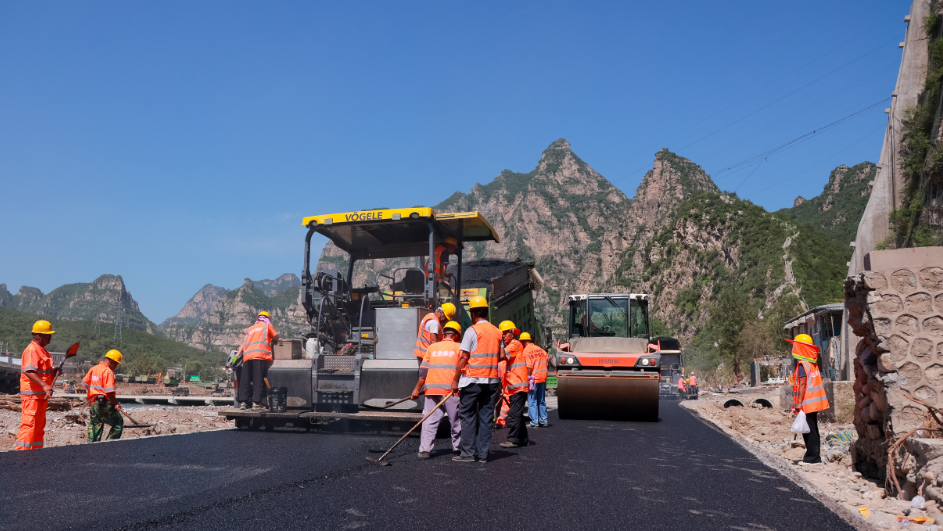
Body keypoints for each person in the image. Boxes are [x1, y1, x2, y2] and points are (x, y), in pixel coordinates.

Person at [451, 295, 507, 463]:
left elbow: (463, 358)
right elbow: (502, 356)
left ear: (473, 314)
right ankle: (483, 455)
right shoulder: (497, 332)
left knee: (467, 416)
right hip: (490, 382)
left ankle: (467, 454)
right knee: (486, 418)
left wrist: (455, 380)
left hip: (472, 381)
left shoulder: (472, 331)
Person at [410, 320, 463, 459]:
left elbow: (423, 373)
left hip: (431, 390)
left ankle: (425, 450)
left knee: (429, 420)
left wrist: (416, 390)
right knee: (456, 421)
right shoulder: (459, 348)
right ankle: (459, 449)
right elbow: (464, 370)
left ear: (444, 333)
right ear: (456, 335)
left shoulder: (432, 348)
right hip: (451, 392)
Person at [16, 320, 59, 450]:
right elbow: (29, 371)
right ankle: (22, 458)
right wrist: (45, 386)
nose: (51, 337)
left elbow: (43, 372)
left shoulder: (42, 351)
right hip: (32, 396)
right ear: (39, 335)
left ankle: (35, 457)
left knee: (39, 427)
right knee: (29, 426)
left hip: (40, 397)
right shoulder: (32, 350)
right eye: (48, 334)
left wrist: (54, 372)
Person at [787, 333, 829, 464]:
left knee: (809, 431)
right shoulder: (811, 364)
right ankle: (814, 456)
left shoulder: (802, 365)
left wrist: (799, 403)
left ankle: (812, 458)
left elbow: (803, 384)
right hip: (815, 401)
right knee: (813, 429)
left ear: (800, 348)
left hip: (807, 402)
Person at [236, 311, 279, 409]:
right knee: (258, 379)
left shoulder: (250, 329)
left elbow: (243, 344)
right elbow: (276, 337)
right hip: (259, 355)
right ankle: (256, 402)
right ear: (267, 319)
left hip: (247, 356)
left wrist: (235, 357)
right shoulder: (266, 326)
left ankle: (243, 402)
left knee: (245, 379)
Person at [498, 321, 529, 449]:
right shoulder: (514, 345)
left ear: (512, 333)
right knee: (518, 414)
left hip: (518, 387)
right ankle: (523, 439)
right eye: (502, 335)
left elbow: (501, 356)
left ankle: (513, 439)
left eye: (505, 333)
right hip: (515, 387)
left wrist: (498, 345)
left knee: (515, 414)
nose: (503, 336)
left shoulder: (514, 345)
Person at [84, 350, 124, 442]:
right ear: (111, 361)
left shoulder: (94, 369)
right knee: (118, 422)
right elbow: (109, 392)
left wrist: (95, 392)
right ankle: (109, 444)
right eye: (116, 364)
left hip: (94, 403)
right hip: (105, 403)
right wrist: (116, 403)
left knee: (95, 425)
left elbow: (85, 384)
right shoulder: (108, 372)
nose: (116, 366)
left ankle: (92, 447)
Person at [522, 332, 549, 428]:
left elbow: (529, 366)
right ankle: (543, 420)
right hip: (542, 377)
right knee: (541, 400)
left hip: (533, 379)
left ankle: (534, 422)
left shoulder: (526, 351)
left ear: (524, 342)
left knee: (532, 400)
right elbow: (547, 359)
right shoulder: (540, 349)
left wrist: (528, 378)